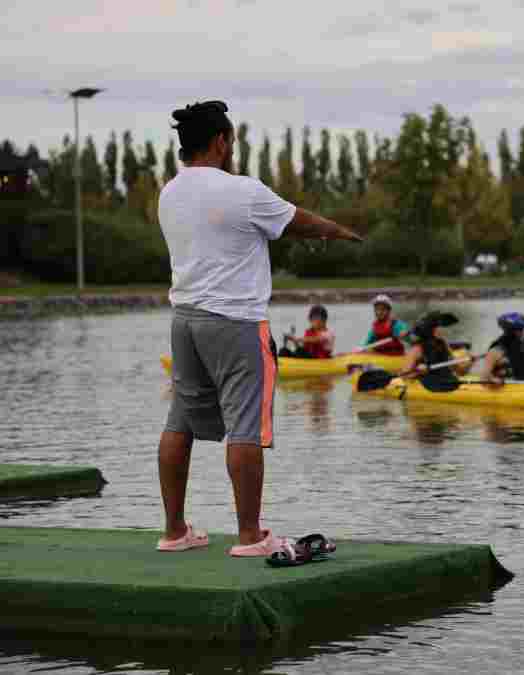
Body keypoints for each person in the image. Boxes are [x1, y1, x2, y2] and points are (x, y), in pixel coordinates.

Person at [156, 100, 363, 556]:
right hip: (235, 322)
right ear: (220, 142)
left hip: (184, 321)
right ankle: (250, 536)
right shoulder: (243, 191)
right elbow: (298, 222)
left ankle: (174, 532)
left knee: (179, 423)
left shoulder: (169, 192)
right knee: (245, 426)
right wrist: (338, 231)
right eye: (230, 141)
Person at [408, 312, 469, 387]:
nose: (442, 330)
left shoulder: (443, 344)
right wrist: (418, 372)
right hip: (427, 384)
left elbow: (460, 372)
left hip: (446, 382)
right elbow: (405, 376)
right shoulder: (417, 349)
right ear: (429, 331)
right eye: (438, 327)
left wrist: (469, 364)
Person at [480, 312, 524, 384]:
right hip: (506, 389)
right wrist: (493, 380)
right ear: (512, 331)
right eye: (521, 329)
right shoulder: (496, 350)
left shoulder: (520, 347)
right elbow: (484, 376)